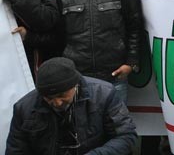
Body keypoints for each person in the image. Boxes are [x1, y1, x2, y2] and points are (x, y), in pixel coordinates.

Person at [58, 0, 142, 98]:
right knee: (81, 122)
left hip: (114, 73)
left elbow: (134, 27)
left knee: (115, 122)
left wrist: (131, 62)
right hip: (78, 76)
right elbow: (61, 35)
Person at [6, 57, 137, 154]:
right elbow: (16, 150)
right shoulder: (24, 108)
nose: (57, 102)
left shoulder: (104, 94)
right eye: (49, 98)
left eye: (62, 95)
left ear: (75, 85)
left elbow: (126, 136)